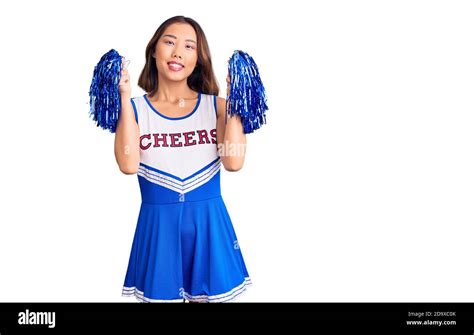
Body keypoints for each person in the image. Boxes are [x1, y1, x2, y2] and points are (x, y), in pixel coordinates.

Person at [115, 15, 251, 303]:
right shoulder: (135, 110)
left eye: (190, 46)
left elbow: (233, 162)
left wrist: (237, 99)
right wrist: (124, 96)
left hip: (209, 227)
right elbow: (128, 166)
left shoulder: (216, 106)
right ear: (154, 50)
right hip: (158, 227)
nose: (178, 52)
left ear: (198, 59)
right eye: (169, 42)